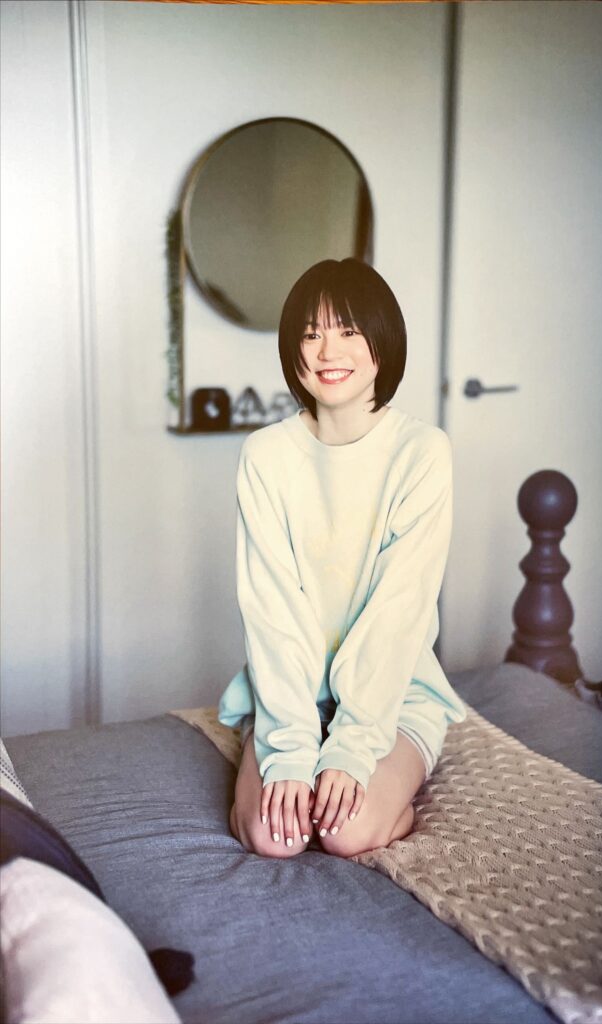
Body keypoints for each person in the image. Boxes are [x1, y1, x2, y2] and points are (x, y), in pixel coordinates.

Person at [218, 257, 466, 860]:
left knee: (345, 833)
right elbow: (272, 612)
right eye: (311, 333)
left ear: (383, 340)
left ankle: (391, 796)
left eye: (349, 330)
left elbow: (397, 615)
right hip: (291, 695)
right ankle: (264, 742)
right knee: (274, 838)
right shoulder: (266, 456)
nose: (328, 350)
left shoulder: (422, 453)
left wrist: (351, 749)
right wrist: (290, 749)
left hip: (394, 695)